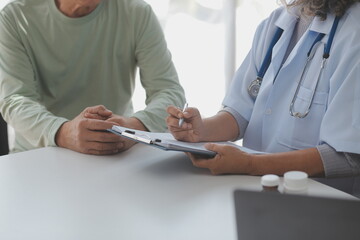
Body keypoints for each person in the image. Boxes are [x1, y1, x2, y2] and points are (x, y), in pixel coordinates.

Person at [166, 0, 360, 178]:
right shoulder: (276, 23)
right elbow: (241, 112)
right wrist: (201, 130)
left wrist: (251, 164)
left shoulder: (354, 32)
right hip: (258, 191)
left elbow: (347, 156)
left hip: (318, 200)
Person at [0, 0, 185, 154]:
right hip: (37, 155)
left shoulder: (136, 12)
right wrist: (64, 132)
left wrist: (134, 127)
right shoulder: (14, 17)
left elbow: (169, 91)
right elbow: (15, 99)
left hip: (115, 152)